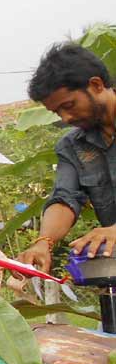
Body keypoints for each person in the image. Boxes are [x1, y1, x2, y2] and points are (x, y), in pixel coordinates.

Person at [18, 43, 116, 271]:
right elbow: (65, 197)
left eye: (69, 105)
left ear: (96, 85)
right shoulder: (72, 146)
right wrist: (44, 242)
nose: (66, 117)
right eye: (57, 112)